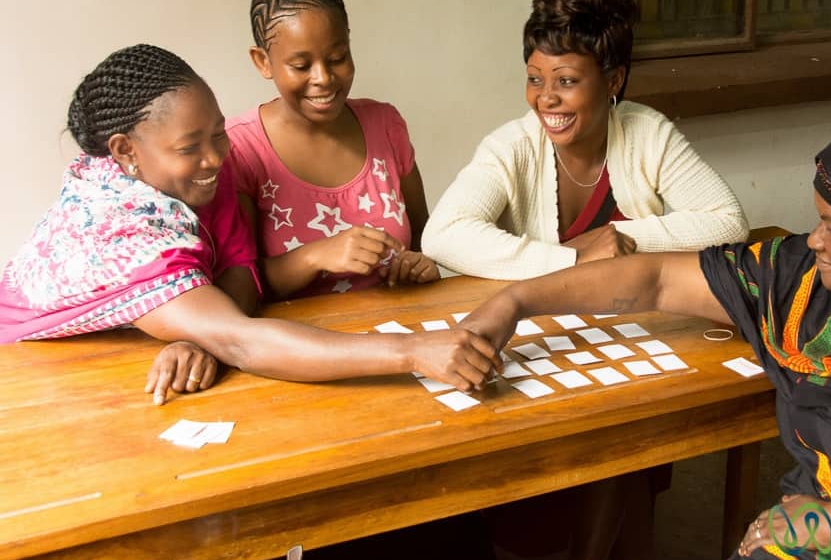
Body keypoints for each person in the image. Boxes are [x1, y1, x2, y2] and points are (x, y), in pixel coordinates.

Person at [460, 109, 831, 560]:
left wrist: (828, 523)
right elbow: (654, 279)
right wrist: (517, 301)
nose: (817, 241)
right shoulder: (808, 278)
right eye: (820, 221)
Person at [0, 44, 498, 407]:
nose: (215, 157)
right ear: (126, 151)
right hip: (33, 380)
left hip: (117, 363)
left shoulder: (201, 177)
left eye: (218, 133)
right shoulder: (120, 231)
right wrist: (413, 351)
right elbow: (242, 340)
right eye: (190, 147)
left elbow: (239, 283)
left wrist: (197, 335)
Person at [421, 0, 747, 280]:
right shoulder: (510, 147)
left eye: (566, 81)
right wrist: (574, 258)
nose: (545, 98)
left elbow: (728, 222)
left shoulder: (647, 134)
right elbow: (442, 236)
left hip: (633, 319)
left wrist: (619, 239)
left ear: (613, 81)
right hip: (538, 324)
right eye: (535, 79)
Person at [229, 0, 439, 300]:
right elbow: (239, 285)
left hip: (396, 334)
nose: (323, 78)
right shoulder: (241, 149)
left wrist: (419, 263)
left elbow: (424, 237)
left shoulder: (385, 124)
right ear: (263, 62)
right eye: (301, 66)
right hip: (302, 345)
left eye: (337, 58)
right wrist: (316, 255)